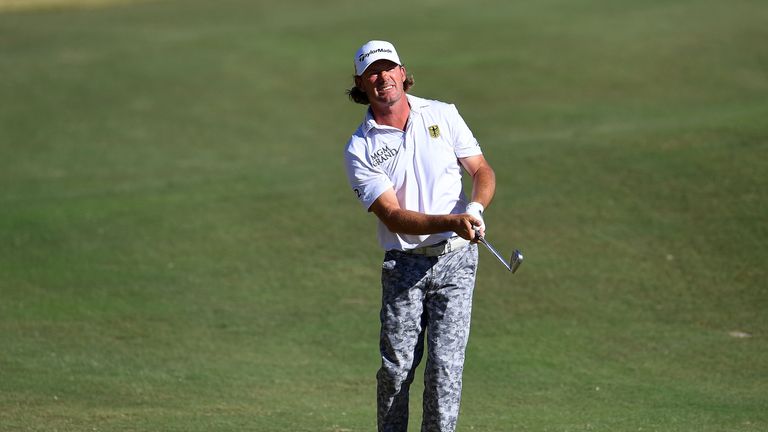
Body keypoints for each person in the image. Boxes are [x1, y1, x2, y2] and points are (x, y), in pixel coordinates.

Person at [343, 40, 496, 432]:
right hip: (404, 265)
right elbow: (393, 217)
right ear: (361, 83)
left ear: (402, 71)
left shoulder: (442, 115)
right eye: (372, 72)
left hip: (457, 261)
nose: (382, 78)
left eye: (388, 67)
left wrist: (474, 209)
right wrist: (451, 220)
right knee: (396, 372)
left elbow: (481, 170)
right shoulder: (360, 147)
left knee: (445, 373)